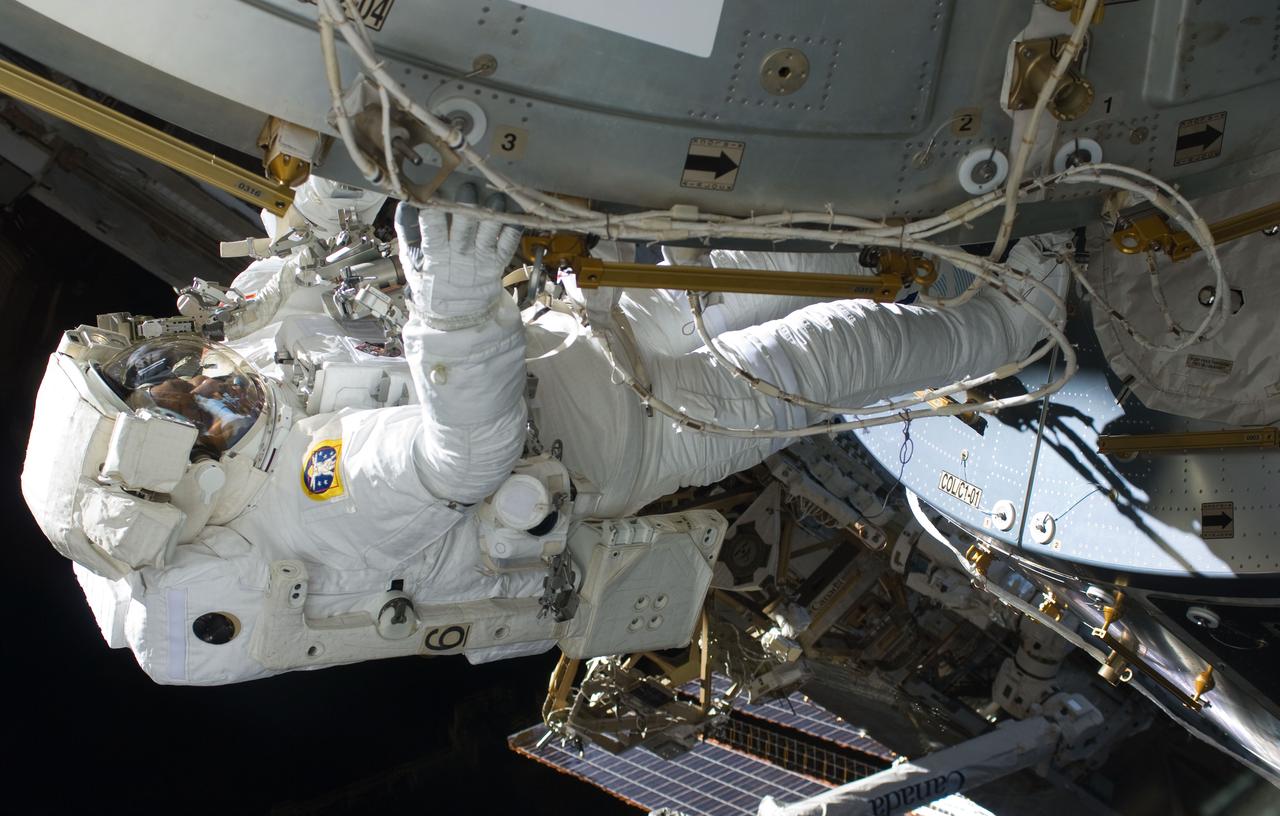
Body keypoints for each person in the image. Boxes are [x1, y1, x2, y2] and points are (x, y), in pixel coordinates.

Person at [20, 179, 1067, 685]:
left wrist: (349, 176)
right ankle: (1023, 320)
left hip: (574, 340)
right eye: (164, 395)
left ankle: (964, 247)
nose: (184, 373)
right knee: (828, 357)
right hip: (622, 441)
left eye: (157, 366)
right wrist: (455, 299)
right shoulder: (304, 504)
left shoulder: (229, 388)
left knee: (788, 268)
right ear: (161, 472)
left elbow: (298, 268)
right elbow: (461, 459)